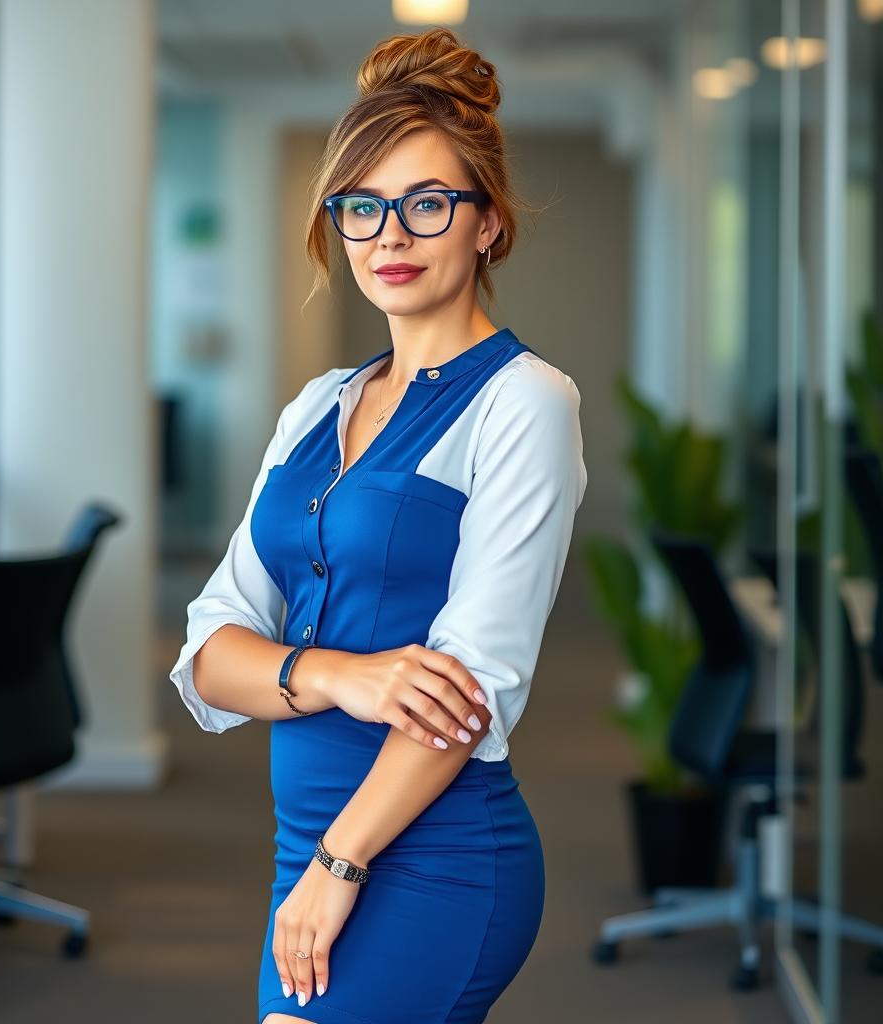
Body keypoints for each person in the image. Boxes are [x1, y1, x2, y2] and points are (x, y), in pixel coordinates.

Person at [169, 26, 588, 1024]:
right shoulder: (317, 403)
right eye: (362, 207)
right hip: (308, 838)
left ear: (485, 224)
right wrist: (336, 674)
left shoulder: (523, 402)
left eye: (425, 203)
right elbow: (206, 648)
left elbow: (470, 685)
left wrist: (340, 863)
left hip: (425, 850)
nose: (389, 235)